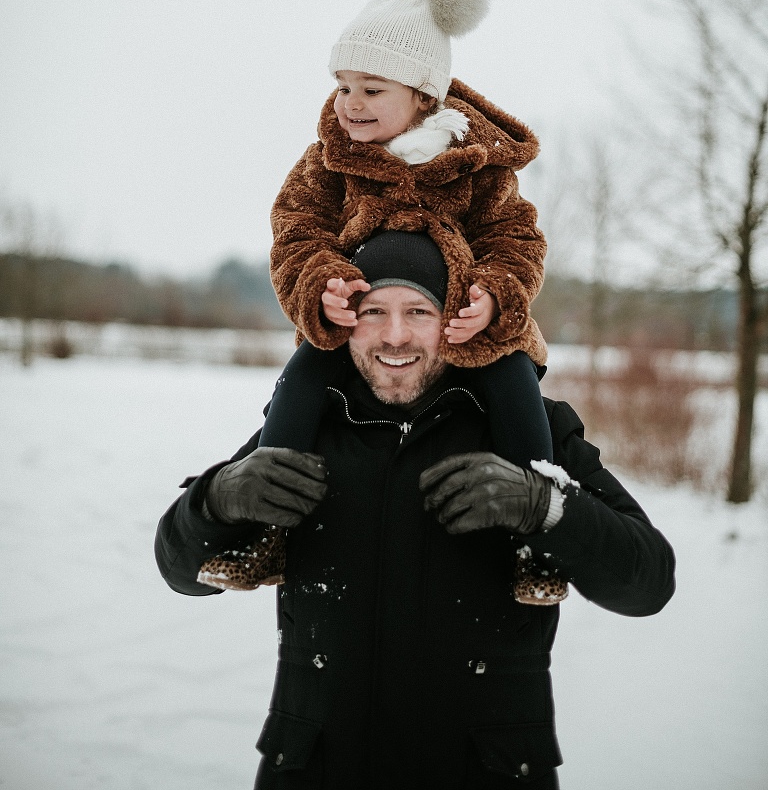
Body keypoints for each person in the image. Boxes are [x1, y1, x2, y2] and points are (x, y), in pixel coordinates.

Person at [155, 231, 676, 790]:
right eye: (372, 310)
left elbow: (648, 583)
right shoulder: (305, 430)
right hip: (318, 769)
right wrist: (216, 499)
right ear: (342, 320)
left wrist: (545, 506)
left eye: (418, 311)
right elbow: (179, 571)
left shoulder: (533, 435)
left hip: (485, 772)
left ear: (453, 319)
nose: (395, 334)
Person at [263, 0, 556, 601]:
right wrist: (323, 285)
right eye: (343, 86)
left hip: (463, 327)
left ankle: (536, 537)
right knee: (303, 378)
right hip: (359, 330)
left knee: (512, 383)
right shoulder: (328, 164)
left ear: (424, 95)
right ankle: (268, 530)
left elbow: (516, 239)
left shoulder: (476, 167)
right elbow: (296, 232)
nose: (350, 104)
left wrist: (494, 297)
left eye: (372, 89)